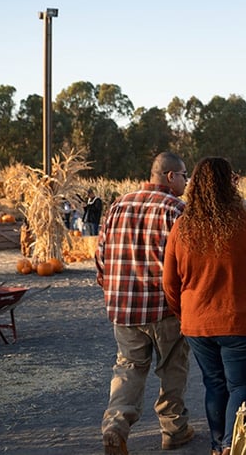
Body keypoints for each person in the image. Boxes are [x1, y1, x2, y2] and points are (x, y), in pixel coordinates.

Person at [163, 157, 246, 455]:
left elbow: (170, 282)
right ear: (230, 184)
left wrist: (185, 316)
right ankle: (232, 447)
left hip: (198, 324)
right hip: (244, 322)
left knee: (215, 385)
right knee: (243, 387)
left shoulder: (182, 228)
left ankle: (217, 446)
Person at [96, 152, 194, 455]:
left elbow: (101, 256)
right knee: (172, 367)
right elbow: (188, 263)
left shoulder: (118, 205)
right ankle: (173, 428)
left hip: (124, 308)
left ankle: (116, 424)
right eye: (184, 175)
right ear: (170, 176)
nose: (187, 182)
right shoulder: (178, 210)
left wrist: (110, 286)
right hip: (165, 308)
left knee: (128, 367)